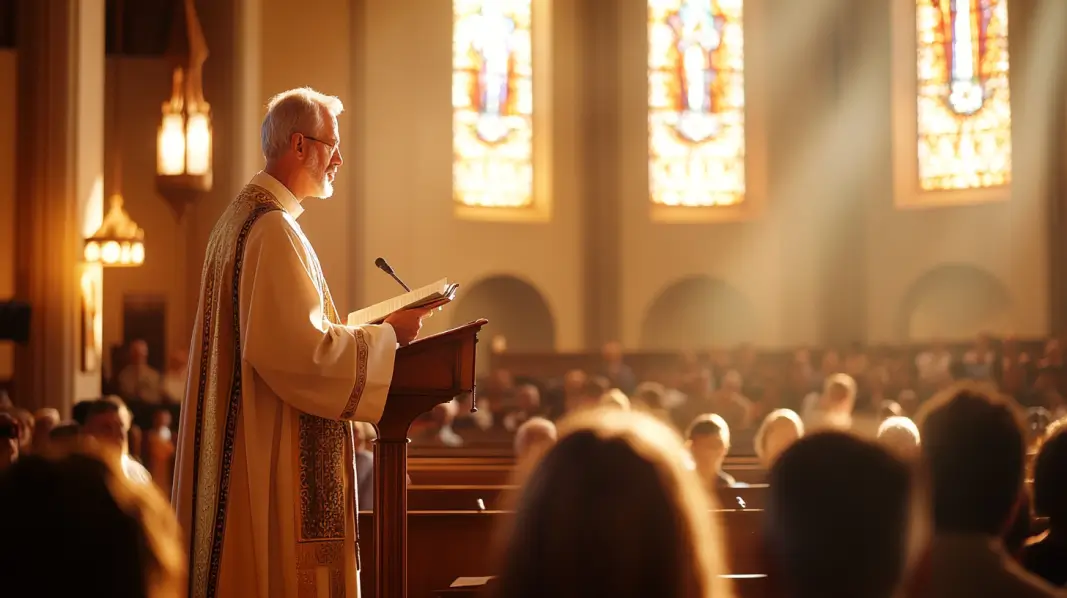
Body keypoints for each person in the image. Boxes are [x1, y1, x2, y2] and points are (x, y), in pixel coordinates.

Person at [172, 87, 431, 598]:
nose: (339, 158)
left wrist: (367, 336)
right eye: (330, 144)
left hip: (246, 435)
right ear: (298, 145)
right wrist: (386, 337)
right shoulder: (270, 229)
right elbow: (296, 354)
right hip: (262, 453)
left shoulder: (242, 222)